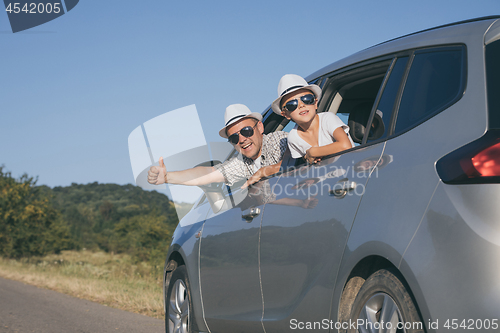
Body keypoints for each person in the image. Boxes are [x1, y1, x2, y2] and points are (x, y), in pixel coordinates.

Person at [147, 104, 288, 187]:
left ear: (260, 127)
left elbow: (300, 155)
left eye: (246, 131)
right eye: (234, 137)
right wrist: (167, 177)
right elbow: (208, 174)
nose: (242, 139)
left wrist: (264, 172)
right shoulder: (242, 164)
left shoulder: (279, 141)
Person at [271, 74, 354, 164]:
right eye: (292, 104)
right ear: (286, 114)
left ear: (315, 103)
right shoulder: (293, 137)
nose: (301, 105)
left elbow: (345, 145)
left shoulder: (328, 119)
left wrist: (313, 152)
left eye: (307, 99)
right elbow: (301, 164)